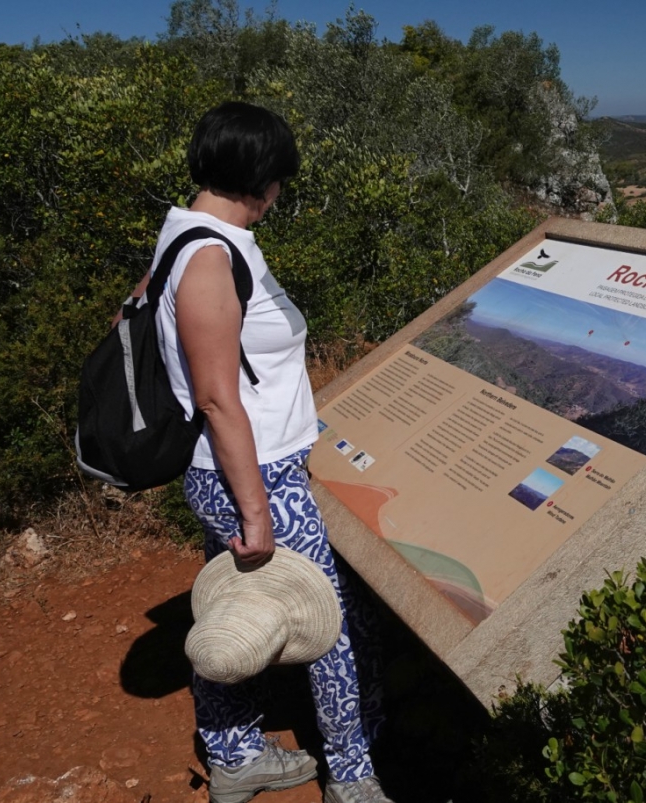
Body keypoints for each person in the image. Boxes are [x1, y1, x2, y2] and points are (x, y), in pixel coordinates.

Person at [124, 101, 392, 803]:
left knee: (240, 611)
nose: (279, 195)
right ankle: (352, 774)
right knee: (324, 623)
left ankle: (235, 752)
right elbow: (217, 397)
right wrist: (256, 508)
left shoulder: (184, 232)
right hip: (254, 472)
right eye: (279, 180)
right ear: (259, 177)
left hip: (224, 468)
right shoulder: (212, 254)